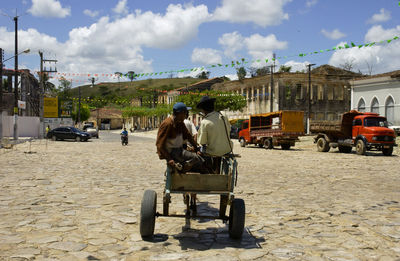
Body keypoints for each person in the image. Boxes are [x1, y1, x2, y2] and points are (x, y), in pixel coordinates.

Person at [156, 102, 205, 173]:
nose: (185, 116)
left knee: (199, 159)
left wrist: (197, 148)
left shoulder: (179, 122)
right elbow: (159, 144)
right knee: (197, 158)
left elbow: (188, 136)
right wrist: (169, 158)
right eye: (185, 114)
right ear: (180, 113)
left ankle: (184, 168)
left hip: (179, 149)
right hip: (172, 152)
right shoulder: (167, 124)